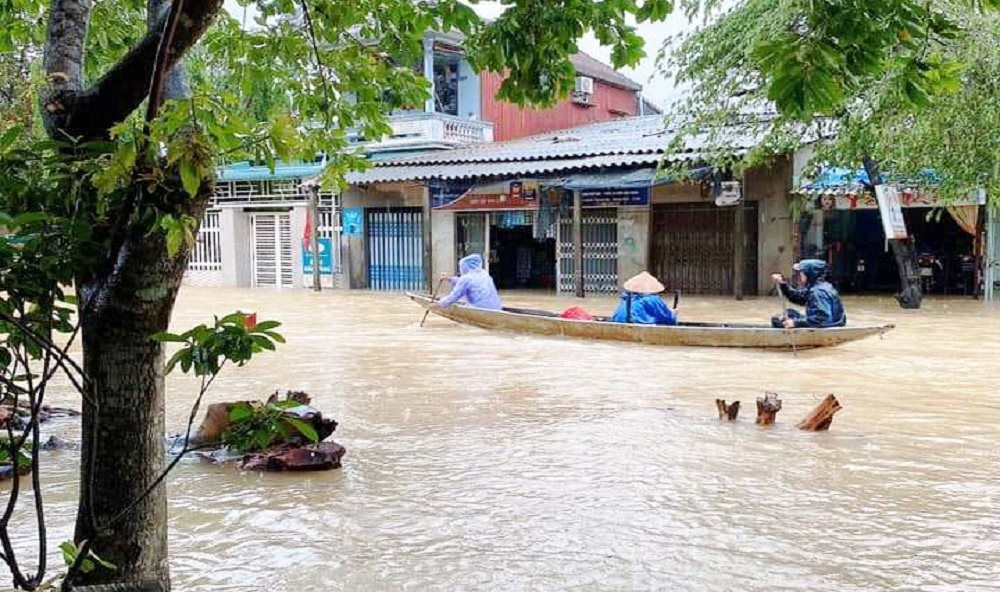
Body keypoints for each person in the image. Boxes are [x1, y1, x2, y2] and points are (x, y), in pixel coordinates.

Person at [771, 259, 846, 329]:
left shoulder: (818, 292)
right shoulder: (816, 286)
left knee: (778, 322)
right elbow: (799, 298)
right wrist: (782, 284)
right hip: (827, 321)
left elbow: (822, 318)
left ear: (809, 273)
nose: (800, 275)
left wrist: (795, 323)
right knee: (789, 313)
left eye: (802, 272)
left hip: (828, 325)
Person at [434, 253, 502, 310]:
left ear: (464, 266)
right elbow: (469, 282)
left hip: (480, 308)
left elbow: (454, 296)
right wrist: (449, 278)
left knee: (459, 303)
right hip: (496, 308)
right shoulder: (484, 274)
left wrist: (439, 304)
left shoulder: (466, 278)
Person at [610, 271, 677, 325]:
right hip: (637, 324)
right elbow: (667, 318)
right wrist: (673, 313)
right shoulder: (653, 299)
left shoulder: (625, 298)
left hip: (619, 323)